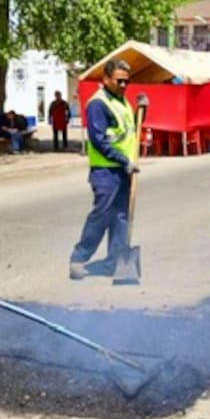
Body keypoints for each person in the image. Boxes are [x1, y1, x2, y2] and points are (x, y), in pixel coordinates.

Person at [69, 60, 139, 280]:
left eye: (126, 81)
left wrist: (140, 111)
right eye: (119, 80)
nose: (123, 85)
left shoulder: (123, 101)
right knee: (102, 215)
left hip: (124, 170)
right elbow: (98, 140)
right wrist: (122, 159)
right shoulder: (98, 104)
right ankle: (79, 259)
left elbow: (125, 131)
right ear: (106, 79)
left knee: (121, 217)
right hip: (106, 171)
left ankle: (116, 261)